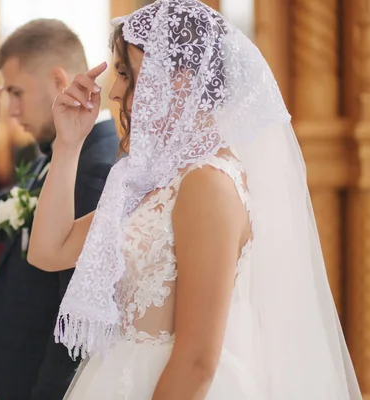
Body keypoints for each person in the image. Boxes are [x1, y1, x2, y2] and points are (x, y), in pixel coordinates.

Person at [27, 1, 362, 399]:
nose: (114, 92)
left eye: (125, 73)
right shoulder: (156, 179)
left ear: (178, 79)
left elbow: (198, 362)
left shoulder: (208, 183)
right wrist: (68, 144)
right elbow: (49, 250)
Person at [0, 19, 119, 399]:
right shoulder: (50, 159)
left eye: (16, 92)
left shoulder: (97, 169)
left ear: (58, 80)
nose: (11, 111)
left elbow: (77, 316)